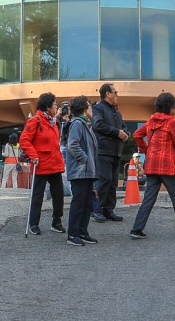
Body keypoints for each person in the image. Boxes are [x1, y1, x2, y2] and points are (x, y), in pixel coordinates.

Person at [129, 92, 175, 240]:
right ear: (171, 107)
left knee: (149, 197)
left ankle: (136, 229)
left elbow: (136, 135)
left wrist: (145, 149)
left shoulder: (151, 121)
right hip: (166, 164)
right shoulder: (171, 122)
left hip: (151, 164)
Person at [19, 92, 65, 236]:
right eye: (55, 104)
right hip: (41, 164)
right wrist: (33, 156)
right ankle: (33, 223)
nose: (57, 106)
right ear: (47, 107)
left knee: (59, 195)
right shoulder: (35, 120)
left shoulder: (53, 122)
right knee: (37, 196)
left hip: (55, 164)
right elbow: (24, 140)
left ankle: (56, 221)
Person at [65, 96, 99, 246]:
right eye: (90, 106)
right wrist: (85, 159)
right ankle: (73, 234)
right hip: (80, 171)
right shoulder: (78, 124)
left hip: (86, 171)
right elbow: (73, 145)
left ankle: (82, 232)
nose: (92, 109)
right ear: (85, 108)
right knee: (79, 203)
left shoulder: (86, 125)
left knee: (87, 204)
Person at [91, 84, 128, 221]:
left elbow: (123, 127)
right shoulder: (98, 108)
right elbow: (97, 125)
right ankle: (96, 209)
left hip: (115, 150)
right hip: (103, 150)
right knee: (104, 180)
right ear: (108, 93)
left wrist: (125, 133)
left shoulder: (116, 112)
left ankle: (108, 209)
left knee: (113, 182)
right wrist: (117, 132)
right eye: (115, 92)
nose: (117, 95)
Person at [57, 101, 73, 197]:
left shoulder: (72, 119)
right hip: (60, 146)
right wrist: (58, 116)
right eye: (64, 108)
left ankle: (68, 190)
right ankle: (63, 190)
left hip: (68, 145)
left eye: (67, 108)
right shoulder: (57, 119)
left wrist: (68, 122)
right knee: (61, 170)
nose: (66, 110)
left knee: (68, 168)